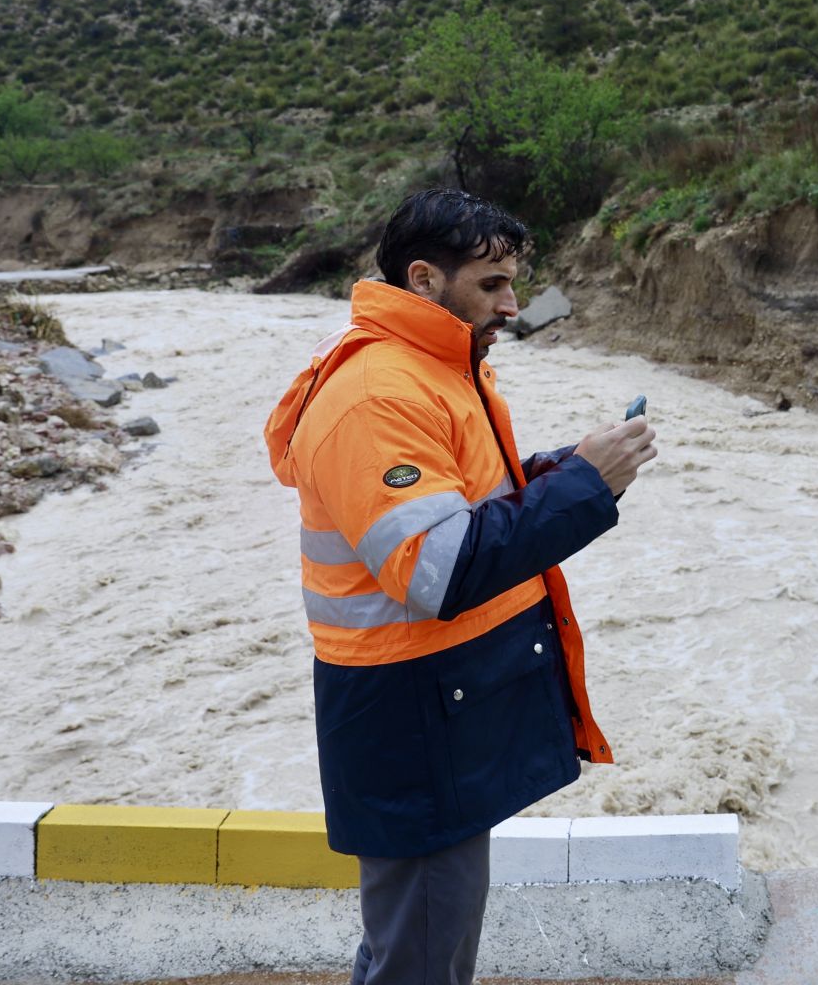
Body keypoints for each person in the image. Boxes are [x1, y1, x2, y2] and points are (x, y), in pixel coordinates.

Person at [263, 188, 656, 985]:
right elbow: (437, 572)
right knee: (421, 952)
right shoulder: (380, 394)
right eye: (492, 285)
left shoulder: (436, 369)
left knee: (419, 937)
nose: (513, 304)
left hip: (434, 696)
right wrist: (586, 488)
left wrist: (562, 467)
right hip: (410, 706)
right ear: (424, 279)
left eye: (514, 282)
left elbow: (459, 501)